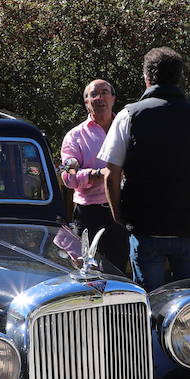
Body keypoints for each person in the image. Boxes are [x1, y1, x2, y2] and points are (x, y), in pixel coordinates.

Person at [102, 48, 190, 290]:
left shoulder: (129, 115)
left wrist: (118, 215)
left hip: (146, 227)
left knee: (151, 302)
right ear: (178, 78)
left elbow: (109, 175)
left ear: (146, 78)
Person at [59, 79, 130, 275]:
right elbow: (68, 176)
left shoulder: (127, 130)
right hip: (90, 214)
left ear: (114, 98)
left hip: (123, 210)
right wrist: (98, 174)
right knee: (90, 273)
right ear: (86, 102)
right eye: (93, 94)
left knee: (120, 273)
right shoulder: (75, 136)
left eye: (104, 92)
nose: (99, 98)